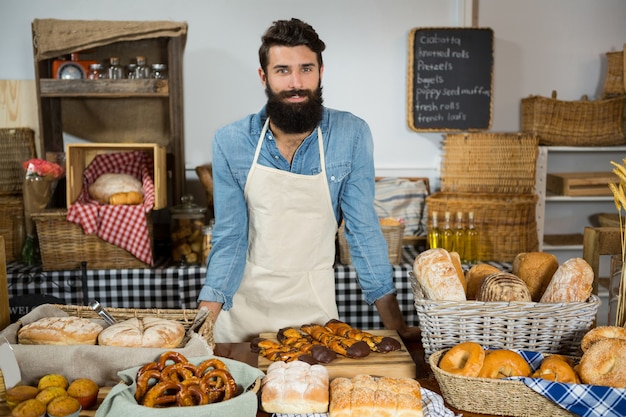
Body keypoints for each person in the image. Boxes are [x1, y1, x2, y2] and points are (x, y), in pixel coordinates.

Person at [198, 18, 420, 343]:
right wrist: (202, 326)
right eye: (283, 70)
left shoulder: (351, 135)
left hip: (314, 313)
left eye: (306, 68)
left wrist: (396, 325)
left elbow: (363, 233)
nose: (296, 83)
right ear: (264, 76)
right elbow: (230, 237)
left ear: (321, 70)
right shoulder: (231, 141)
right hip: (244, 314)